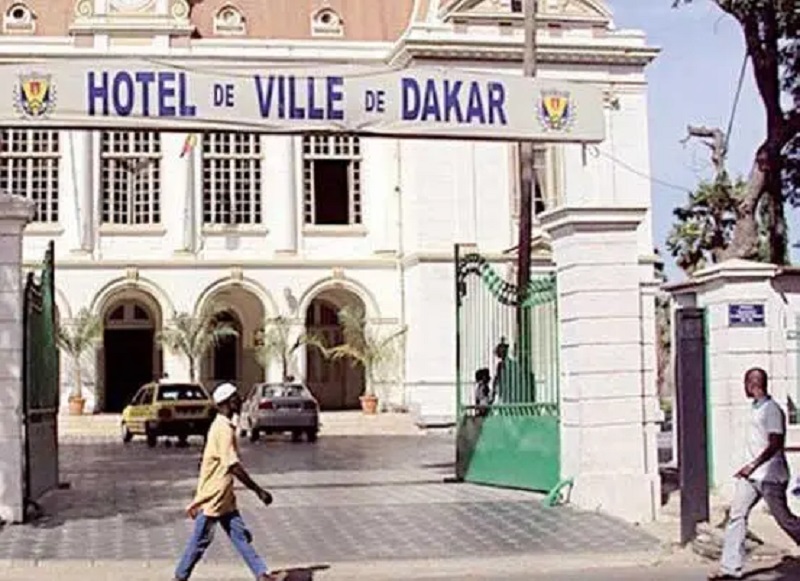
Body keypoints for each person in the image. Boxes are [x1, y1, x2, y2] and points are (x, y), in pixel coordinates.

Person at [174, 382, 286, 581]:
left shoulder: (225, 425)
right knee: (200, 540)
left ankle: (261, 574)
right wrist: (258, 491)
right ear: (226, 402)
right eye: (236, 398)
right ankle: (180, 576)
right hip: (214, 496)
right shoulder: (222, 429)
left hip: (225, 497)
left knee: (240, 536)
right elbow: (232, 465)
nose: (240, 401)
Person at [709, 368, 800, 580]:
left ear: (753, 384)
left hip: (771, 475)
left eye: (746, 384)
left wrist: (753, 465)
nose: (744, 388)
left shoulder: (772, 410)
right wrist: (746, 468)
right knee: (737, 515)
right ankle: (730, 568)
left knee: (784, 520)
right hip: (751, 477)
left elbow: (775, 443)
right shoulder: (755, 408)